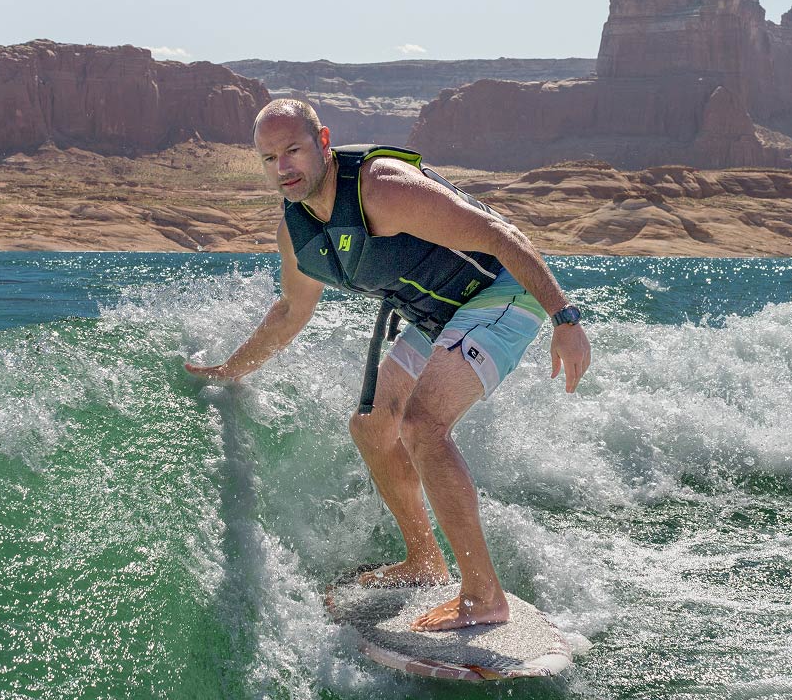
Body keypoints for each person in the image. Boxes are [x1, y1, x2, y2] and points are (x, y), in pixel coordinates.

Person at [185, 99, 591, 631]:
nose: (283, 168)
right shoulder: (298, 231)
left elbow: (500, 236)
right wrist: (229, 371)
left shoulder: (382, 189)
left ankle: (483, 597)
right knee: (372, 427)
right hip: (432, 312)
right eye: (268, 158)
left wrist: (565, 318)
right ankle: (425, 562)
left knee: (423, 426)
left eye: (293, 150)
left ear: (323, 142)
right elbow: (290, 312)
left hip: (499, 290)